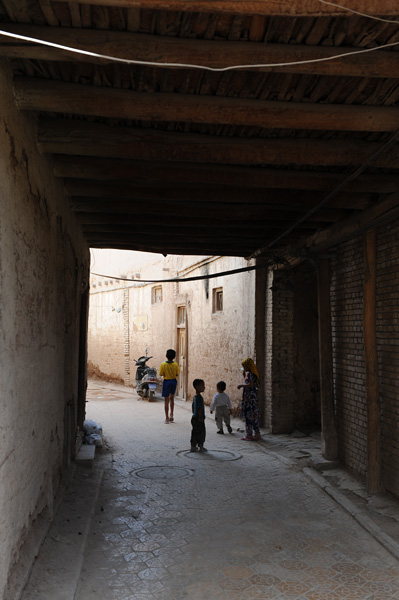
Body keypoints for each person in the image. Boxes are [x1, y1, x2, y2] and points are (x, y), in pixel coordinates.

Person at [237, 358, 261, 441]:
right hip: (252, 397)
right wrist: (244, 375)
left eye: (244, 366)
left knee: (249, 416)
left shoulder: (250, 374)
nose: (243, 367)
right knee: (254, 416)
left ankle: (249, 435)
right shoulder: (251, 373)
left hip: (249, 399)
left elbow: (250, 384)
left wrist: (241, 385)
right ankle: (257, 434)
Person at [159, 349, 180, 423]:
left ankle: (167, 418)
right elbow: (177, 373)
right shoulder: (175, 364)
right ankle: (171, 415)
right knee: (172, 399)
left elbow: (161, 373)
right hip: (173, 381)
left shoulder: (163, 364)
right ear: (174, 356)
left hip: (166, 382)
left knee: (166, 400)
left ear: (166, 356)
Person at [190, 379, 206, 452]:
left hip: (194, 418)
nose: (204, 387)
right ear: (197, 387)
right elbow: (199, 408)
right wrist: (200, 417)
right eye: (202, 386)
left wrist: (194, 414)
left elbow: (193, 406)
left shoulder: (195, 397)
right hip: (199, 419)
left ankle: (192, 447)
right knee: (201, 433)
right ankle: (201, 447)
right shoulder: (200, 398)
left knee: (194, 432)